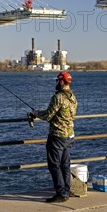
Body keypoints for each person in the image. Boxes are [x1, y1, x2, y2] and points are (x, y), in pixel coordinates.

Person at [33, 71, 77, 203]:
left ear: (62, 82)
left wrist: (35, 113)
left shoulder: (58, 97)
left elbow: (48, 115)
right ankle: (66, 190)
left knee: (54, 165)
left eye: (57, 81)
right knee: (65, 164)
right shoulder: (73, 97)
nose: (56, 83)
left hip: (57, 135)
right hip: (69, 135)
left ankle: (61, 193)